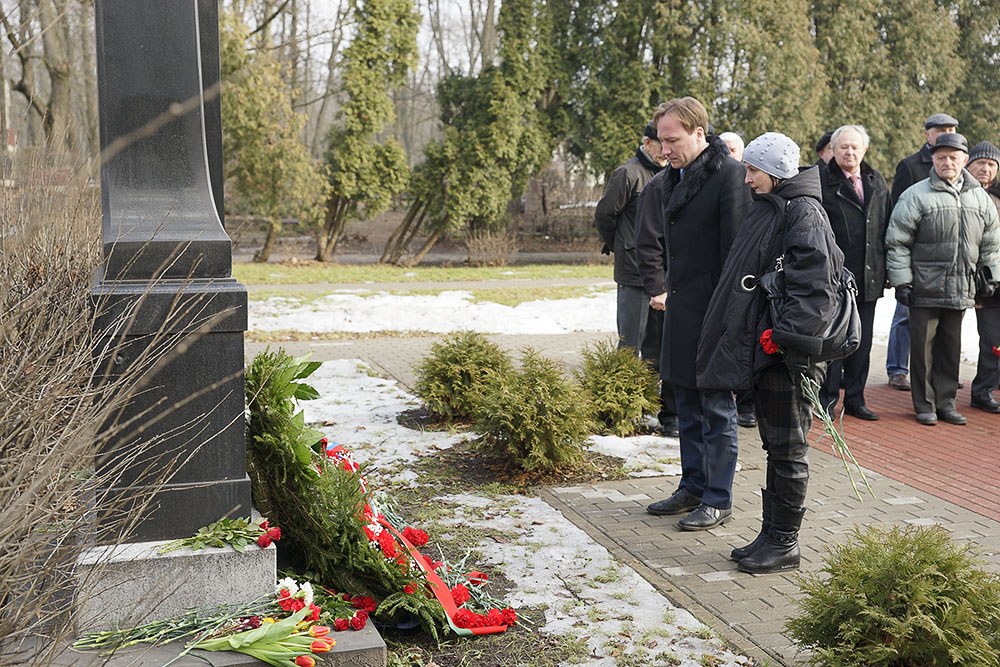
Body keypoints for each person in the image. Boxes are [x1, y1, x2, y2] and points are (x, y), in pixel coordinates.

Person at [697, 132, 843, 574]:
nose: (746, 178)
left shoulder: (804, 214)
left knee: (789, 448)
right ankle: (770, 533)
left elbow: (814, 290)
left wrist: (784, 341)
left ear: (777, 173)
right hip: (770, 351)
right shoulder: (773, 208)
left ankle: (784, 543)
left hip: (788, 357)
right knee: (775, 447)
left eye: (753, 170)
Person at [635, 97, 751, 530]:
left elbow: (736, 254)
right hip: (683, 309)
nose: (665, 150)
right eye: (662, 141)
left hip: (717, 312)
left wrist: (728, 317)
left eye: (673, 140)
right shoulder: (670, 179)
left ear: (700, 134)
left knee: (716, 409)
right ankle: (693, 486)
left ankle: (718, 497)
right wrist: (661, 287)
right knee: (685, 402)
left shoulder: (730, 176)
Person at [886, 133, 1000, 426]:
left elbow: (991, 243)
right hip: (924, 287)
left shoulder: (980, 198)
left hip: (962, 287)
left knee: (950, 349)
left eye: (953, 157)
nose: (947, 162)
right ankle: (924, 404)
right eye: (941, 158)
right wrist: (903, 282)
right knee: (922, 351)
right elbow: (897, 241)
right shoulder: (915, 195)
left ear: (964, 160)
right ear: (933, 160)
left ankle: (946, 403)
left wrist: (991, 278)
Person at [594, 122, 679, 437]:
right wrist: (621, 244)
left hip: (662, 273)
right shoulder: (627, 173)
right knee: (631, 342)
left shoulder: (669, 174)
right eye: (662, 142)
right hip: (633, 273)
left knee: (657, 345)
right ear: (648, 142)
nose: (667, 149)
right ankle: (622, 408)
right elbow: (605, 215)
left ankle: (649, 406)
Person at [817, 125, 892, 420]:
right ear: (833, 150)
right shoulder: (822, 181)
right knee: (834, 341)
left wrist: (885, 270)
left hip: (869, 277)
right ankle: (826, 400)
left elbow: (884, 226)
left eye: (855, 147)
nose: (849, 152)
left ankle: (857, 400)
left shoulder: (876, 181)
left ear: (864, 150)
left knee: (862, 343)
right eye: (843, 147)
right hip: (835, 278)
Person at [885, 113, 961, 391]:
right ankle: (897, 369)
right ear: (927, 134)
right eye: (940, 130)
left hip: (948, 261)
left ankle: (939, 374)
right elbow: (898, 213)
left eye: (950, 130)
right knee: (905, 315)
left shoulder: (956, 165)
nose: (945, 134)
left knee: (941, 324)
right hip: (916, 258)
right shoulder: (910, 165)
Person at [719, 131, 757, 428]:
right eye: (725, 148)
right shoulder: (715, 182)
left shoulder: (753, 185)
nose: (729, 153)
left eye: (734, 149)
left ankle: (746, 407)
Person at [967, 141, 1000, 413]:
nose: (986, 169)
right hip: (981, 284)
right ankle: (982, 392)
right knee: (990, 342)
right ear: (969, 164)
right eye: (981, 163)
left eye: (991, 165)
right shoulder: (964, 194)